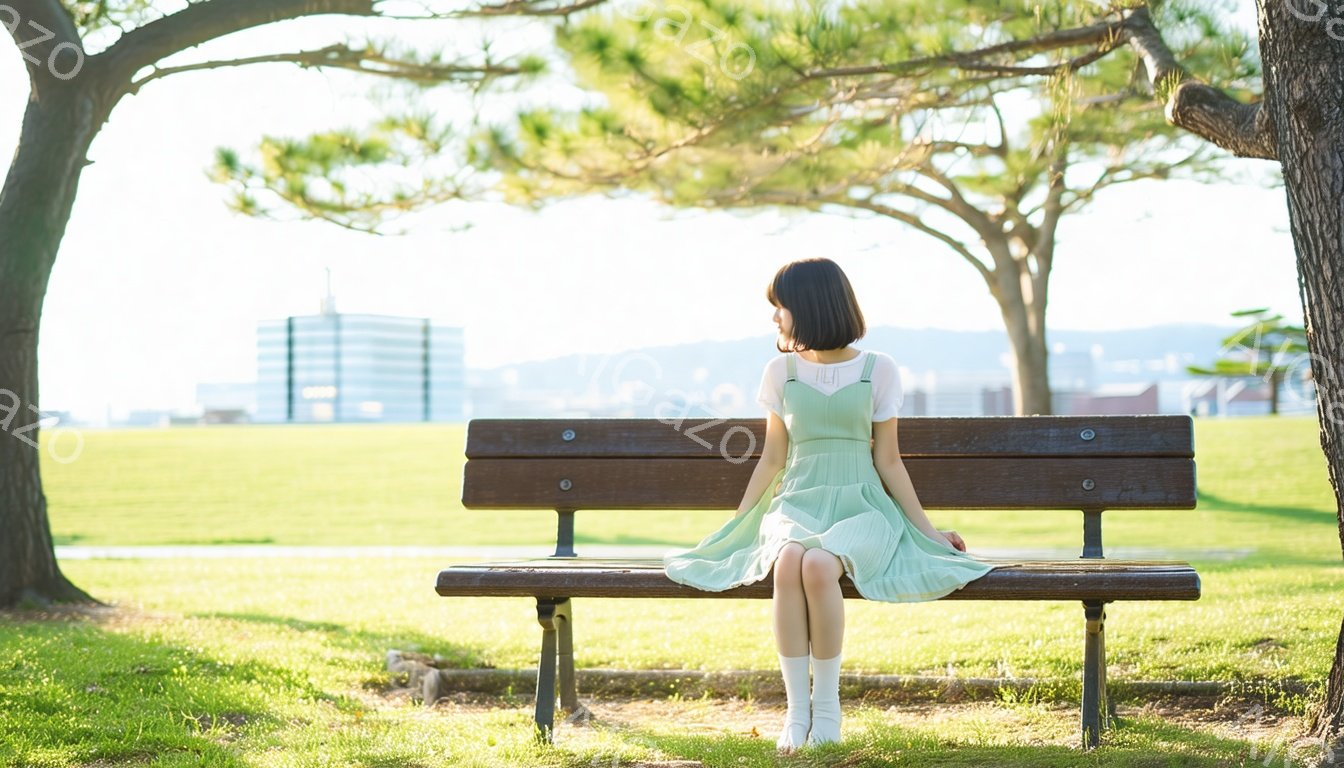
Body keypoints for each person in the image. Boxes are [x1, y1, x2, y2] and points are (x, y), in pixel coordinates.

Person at [662, 257, 1002, 754]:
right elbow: (773, 458)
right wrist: (738, 525)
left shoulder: (877, 369)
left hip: (861, 504)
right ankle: (796, 710)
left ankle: (827, 708)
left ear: (811, 306)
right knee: (789, 562)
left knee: (820, 565)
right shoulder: (781, 371)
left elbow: (889, 462)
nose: (775, 318)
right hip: (798, 500)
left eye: (781, 307)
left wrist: (929, 534)